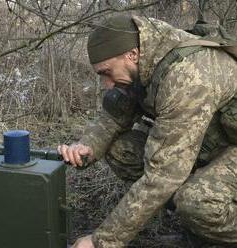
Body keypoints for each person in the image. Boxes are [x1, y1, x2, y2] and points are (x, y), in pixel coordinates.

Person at [57, 14, 237, 248]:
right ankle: (198, 225)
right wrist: (87, 146)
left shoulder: (187, 77)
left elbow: (162, 176)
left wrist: (101, 241)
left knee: (196, 201)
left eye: (106, 72)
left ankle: (208, 220)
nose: (107, 84)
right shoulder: (144, 61)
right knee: (121, 150)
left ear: (131, 55)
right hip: (211, 145)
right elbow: (112, 117)